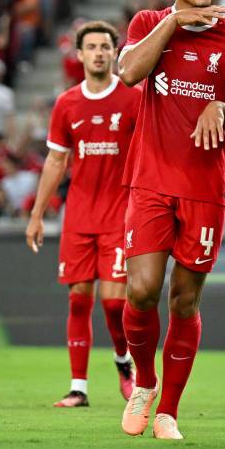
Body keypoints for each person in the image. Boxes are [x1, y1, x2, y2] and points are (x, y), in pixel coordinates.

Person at [118, 0, 225, 440]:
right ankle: (145, 382)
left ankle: (168, 411)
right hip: (151, 179)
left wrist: (223, 109)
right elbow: (130, 71)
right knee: (140, 290)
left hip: (205, 187)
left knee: (183, 300)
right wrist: (172, 23)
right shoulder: (147, 25)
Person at [26, 20, 141, 408]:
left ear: (114, 52)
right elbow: (56, 162)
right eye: (90, 47)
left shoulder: (132, 98)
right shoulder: (67, 104)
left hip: (119, 215)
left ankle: (124, 362)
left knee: (113, 304)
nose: (98, 53)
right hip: (78, 217)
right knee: (78, 301)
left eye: (105, 47)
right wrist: (38, 214)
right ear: (79, 55)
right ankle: (79, 387)